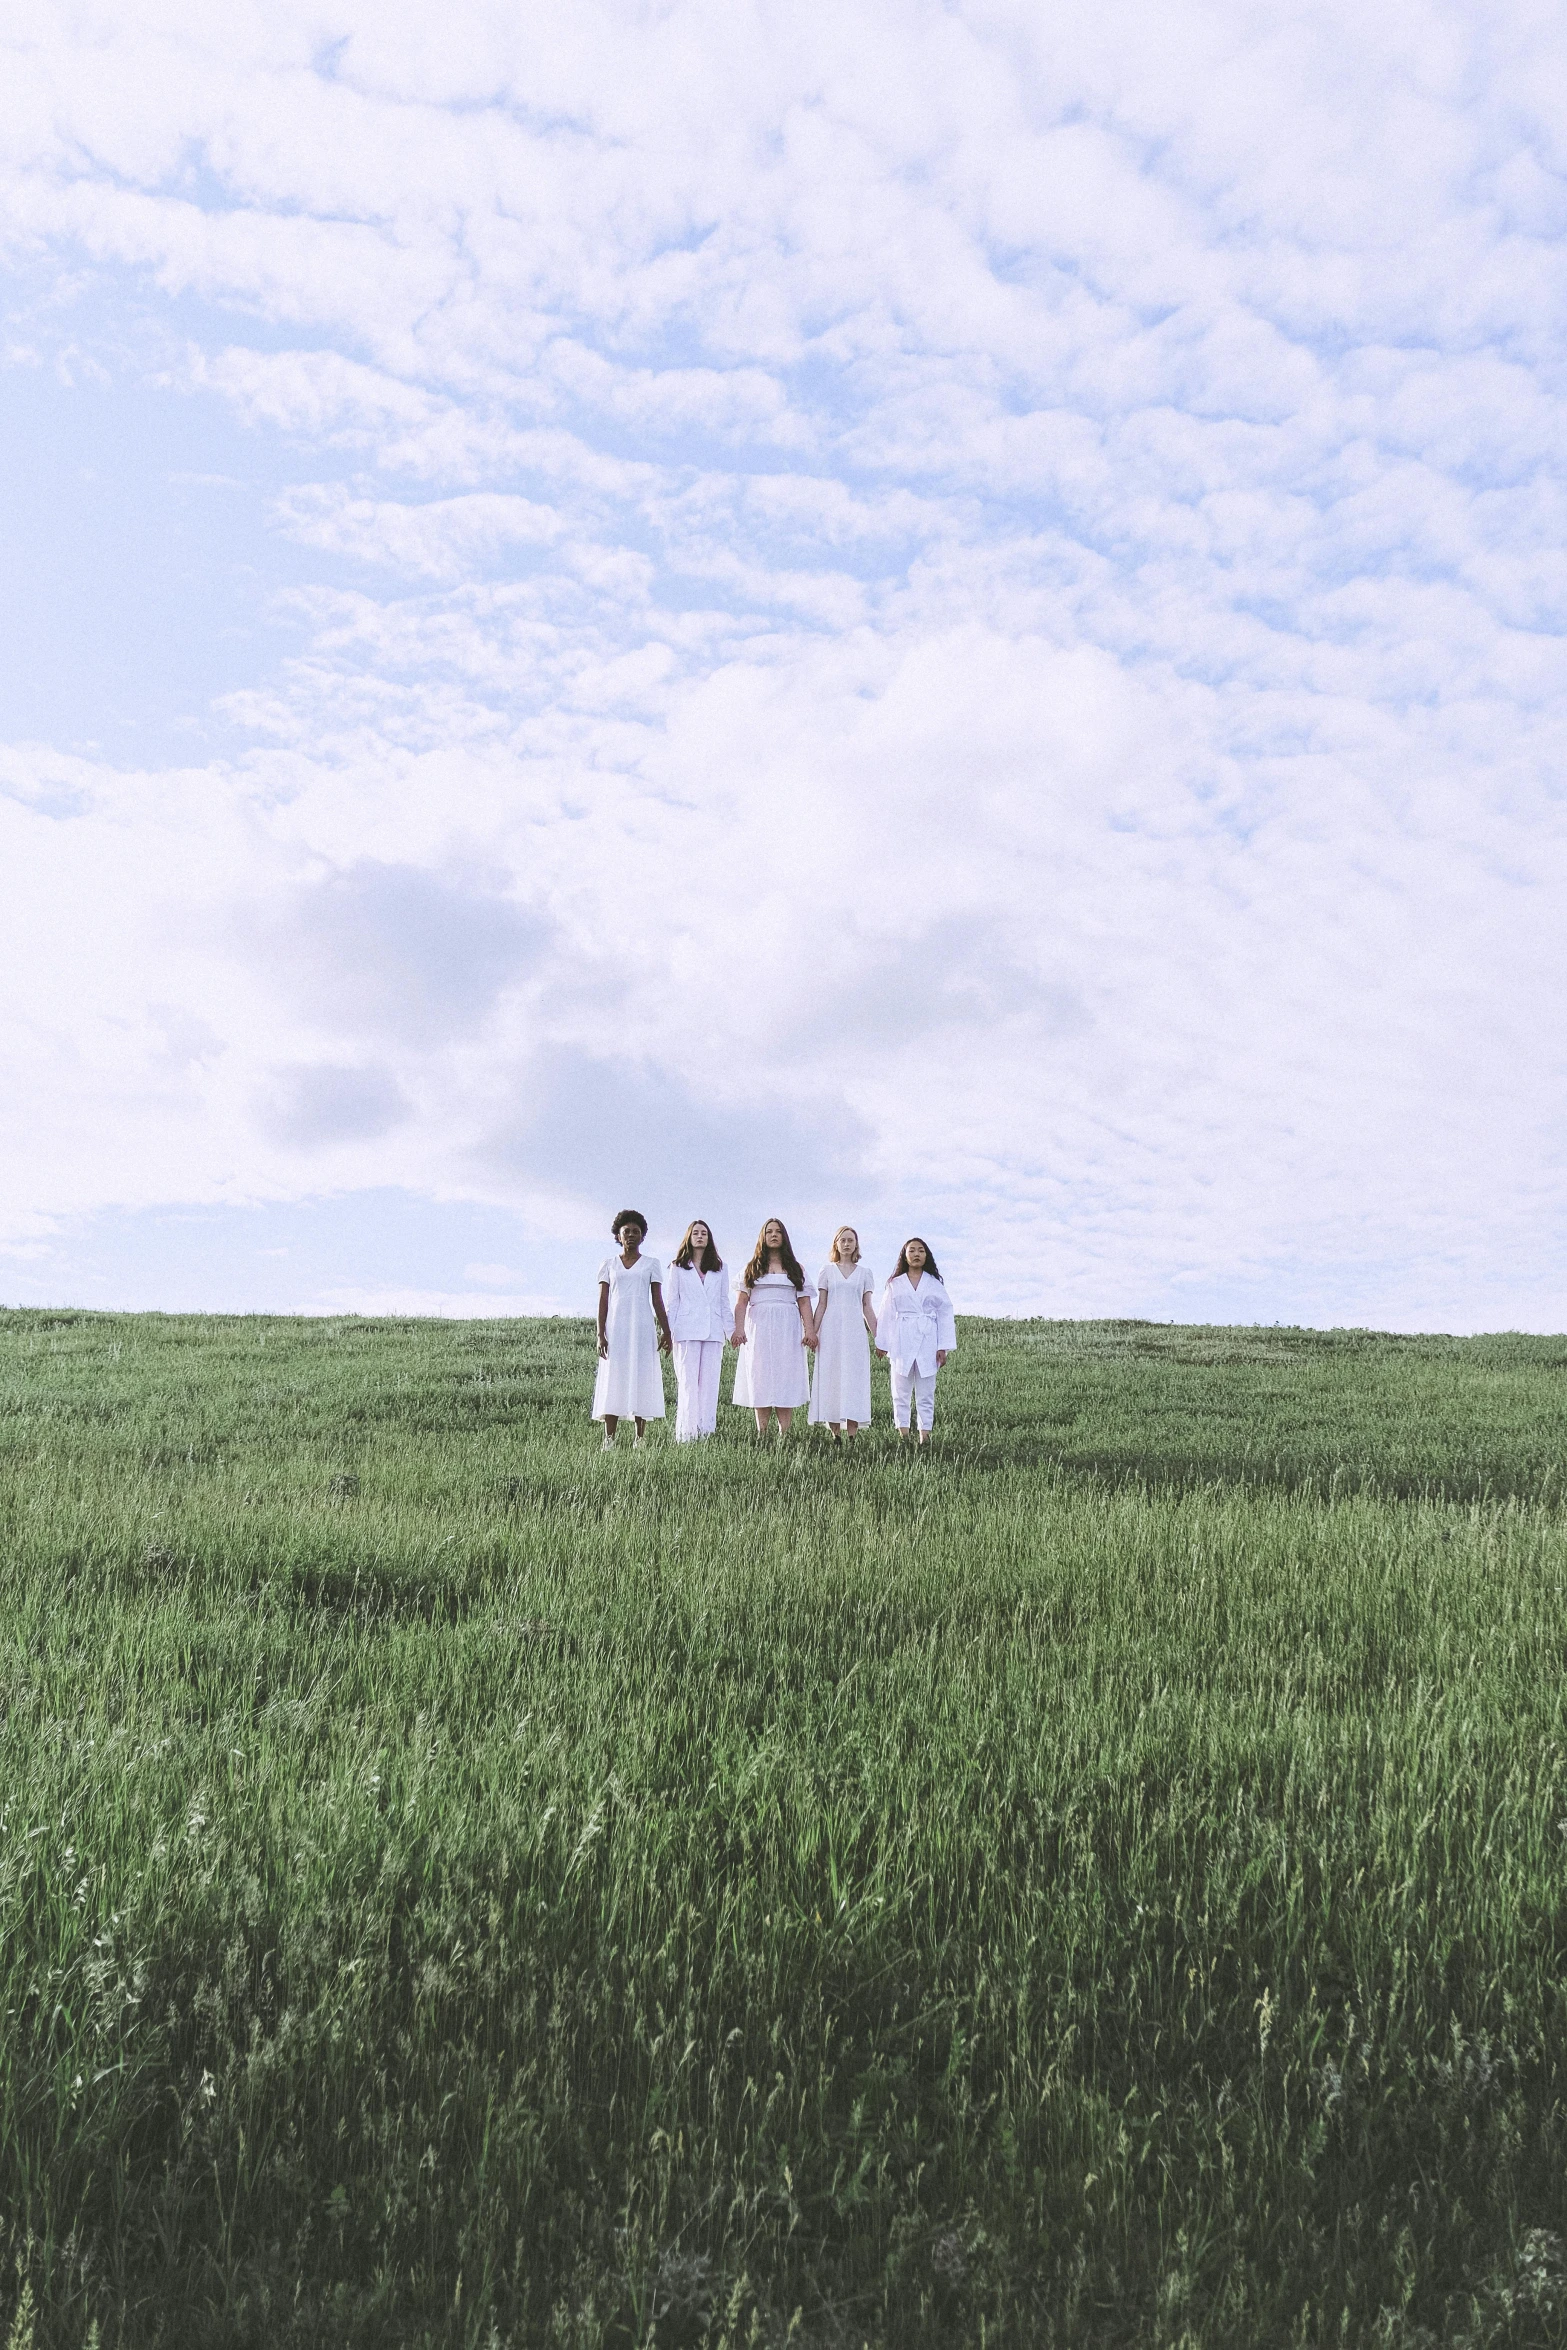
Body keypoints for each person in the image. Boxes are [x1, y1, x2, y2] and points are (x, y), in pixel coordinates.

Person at [593, 1209, 671, 1448]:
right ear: (618, 1236)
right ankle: (610, 1439)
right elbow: (603, 1300)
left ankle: (640, 1438)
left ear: (643, 1236)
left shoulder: (651, 1264)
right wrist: (600, 1334)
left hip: (642, 1327)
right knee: (614, 1377)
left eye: (636, 1232)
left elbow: (657, 1300)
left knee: (641, 1376)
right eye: (626, 1231)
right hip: (616, 1328)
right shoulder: (608, 1264)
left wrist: (666, 1331)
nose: (631, 1235)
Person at [732, 1216, 815, 1435]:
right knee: (760, 1375)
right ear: (763, 1237)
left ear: (784, 1236)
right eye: (769, 1231)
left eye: (778, 1231)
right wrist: (739, 1329)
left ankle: (784, 1433)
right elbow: (741, 1303)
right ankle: (762, 1431)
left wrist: (810, 1331)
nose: (774, 1235)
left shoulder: (796, 1269)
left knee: (784, 1376)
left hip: (787, 1326)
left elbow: (804, 1302)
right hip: (759, 1326)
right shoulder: (752, 1268)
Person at [875, 1237, 956, 1443]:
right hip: (902, 1339)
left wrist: (943, 1347)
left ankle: (925, 1436)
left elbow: (945, 1312)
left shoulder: (934, 1283)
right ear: (905, 1255)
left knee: (926, 1392)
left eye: (921, 1250)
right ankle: (903, 1435)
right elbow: (885, 1313)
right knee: (900, 1391)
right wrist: (882, 1344)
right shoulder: (895, 1284)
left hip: (928, 1339)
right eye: (912, 1250)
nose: (916, 1254)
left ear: (926, 1255)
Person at [662, 1218, 732, 1441]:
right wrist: (667, 1332)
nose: (700, 1236)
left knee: (709, 1386)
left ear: (709, 1238)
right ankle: (686, 1434)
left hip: (713, 1333)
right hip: (685, 1332)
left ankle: (706, 1433)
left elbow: (723, 1303)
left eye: (704, 1233)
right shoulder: (677, 1267)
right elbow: (672, 1303)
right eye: (696, 1233)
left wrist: (731, 1332)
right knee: (688, 1384)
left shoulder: (720, 1268)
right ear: (689, 1238)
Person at [807, 1225, 877, 1437]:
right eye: (843, 1240)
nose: (846, 1244)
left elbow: (867, 1307)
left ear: (856, 1244)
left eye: (850, 1240)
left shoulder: (865, 1273)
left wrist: (879, 1338)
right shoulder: (827, 1271)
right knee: (831, 1379)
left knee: (854, 1380)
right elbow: (821, 1304)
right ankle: (836, 1435)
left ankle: (853, 1436)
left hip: (855, 1333)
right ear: (836, 1244)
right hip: (830, 1333)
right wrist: (812, 1332)